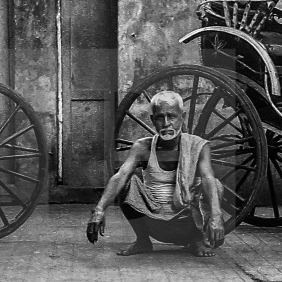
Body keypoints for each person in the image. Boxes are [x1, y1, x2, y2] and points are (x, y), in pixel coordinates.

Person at [86, 91, 226, 257]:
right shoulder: (142, 147)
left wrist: (216, 217)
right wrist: (99, 210)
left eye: (172, 116)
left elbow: (208, 177)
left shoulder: (198, 146)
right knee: (126, 182)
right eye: (160, 117)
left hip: (186, 221)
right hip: (153, 220)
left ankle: (197, 239)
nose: (166, 123)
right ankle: (143, 240)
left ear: (182, 116)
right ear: (153, 120)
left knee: (215, 185)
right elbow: (121, 175)